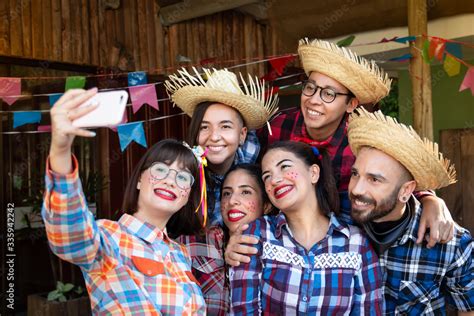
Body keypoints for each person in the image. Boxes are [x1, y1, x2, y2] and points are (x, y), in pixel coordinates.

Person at [257, 38, 452, 242]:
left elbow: (398, 173)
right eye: (310, 88)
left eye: (328, 94)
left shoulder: (363, 140)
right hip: (281, 238)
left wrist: (430, 199)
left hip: (350, 242)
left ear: (350, 104)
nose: (314, 99)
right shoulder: (277, 126)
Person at [42, 88, 206, 314]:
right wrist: (60, 151)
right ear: (140, 179)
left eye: (183, 176)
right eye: (160, 169)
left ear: (187, 194)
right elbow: (70, 237)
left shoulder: (181, 253)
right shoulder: (109, 237)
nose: (170, 181)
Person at [229, 141, 383, 315]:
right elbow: (243, 310)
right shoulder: (258, 233)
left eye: (285, 167)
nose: (275, 179)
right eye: (267, 176)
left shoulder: (356, 244)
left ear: (313, 174)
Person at [347, 108, 474, 314]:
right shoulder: (336, 227)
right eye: (355, 174)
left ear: (406, 191)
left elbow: (468, 309)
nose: (357, 189)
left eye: (374, 179)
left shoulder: (451, 244)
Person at [165, 67, 278, 227]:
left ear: (242, 135)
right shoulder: (182, 174)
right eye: (204, 127)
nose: (214, 136)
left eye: (225, 127)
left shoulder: (257, 156)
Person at [177, 164, 273, 315]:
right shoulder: (193, 243)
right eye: (227, 193)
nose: (232, 200)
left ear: (266, 205)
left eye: (246, 192)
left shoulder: (279, 249)